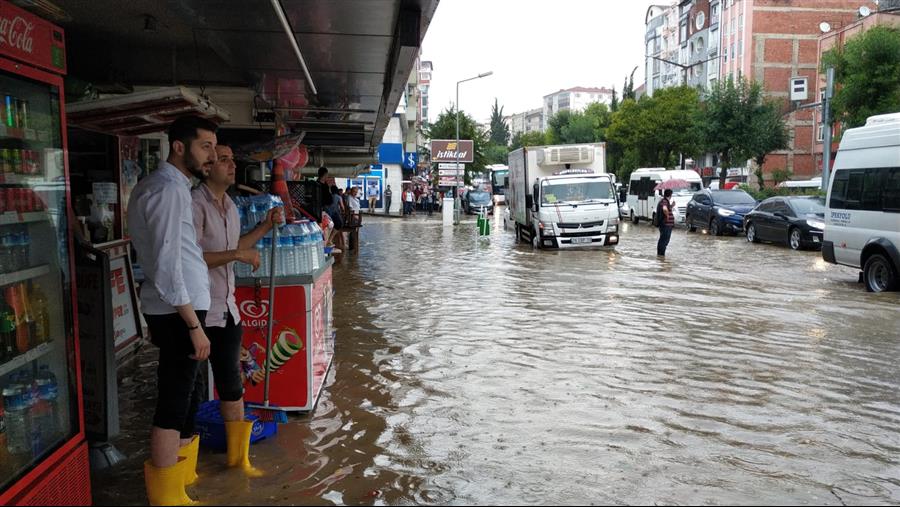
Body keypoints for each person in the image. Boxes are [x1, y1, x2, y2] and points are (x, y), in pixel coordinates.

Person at [127, 116, 217, 506]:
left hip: (174, 311)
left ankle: (178, 487)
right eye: (205, 147)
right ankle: (167, 499)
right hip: (179, 313)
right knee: (173, 401)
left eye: (214, 147)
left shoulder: (173, 187)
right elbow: (166, 264)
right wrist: (193, 324)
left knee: (185, 399)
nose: (211, 155)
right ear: (179, 147)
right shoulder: (167, 191)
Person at [191, 143, 283, 480]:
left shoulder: (229, 206)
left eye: (232, 159)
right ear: (208, 167)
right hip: (198, 310)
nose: (232, 166)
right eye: (224, 160)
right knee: (187, 389)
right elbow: (191, 257)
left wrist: (265, 226)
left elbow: (238, 246)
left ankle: (237, 460)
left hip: (228, 309)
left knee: (232, 384)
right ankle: (186, 464)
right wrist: (235, 256)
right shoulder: (194, 204)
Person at [657, 188, 675, 257]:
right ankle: (661, 255)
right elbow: (664, 209)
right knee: (664, 241)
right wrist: (667, 216)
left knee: (663, 240)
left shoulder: (664, 201)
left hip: (666, 225)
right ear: (670, 195)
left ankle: (660, 256)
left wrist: (671, 206)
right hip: (666, 225)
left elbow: (666, 208)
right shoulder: (664, 201)